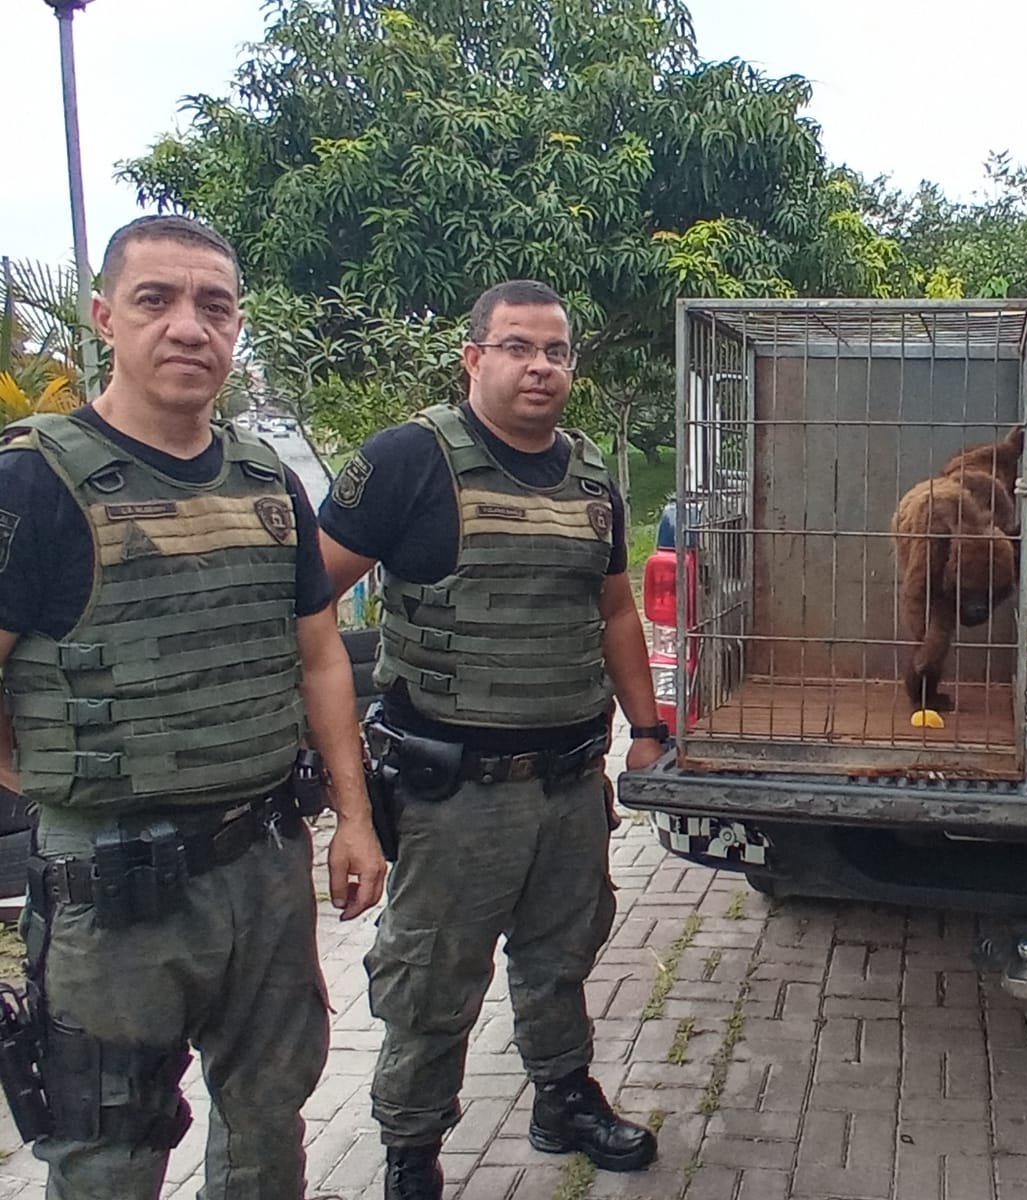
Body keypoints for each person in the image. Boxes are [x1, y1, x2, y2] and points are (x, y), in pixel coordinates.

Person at [0, 214, 387, 1198]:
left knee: (270, 1119)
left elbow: (320, 659)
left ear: (236, 328)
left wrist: (354, 817)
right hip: (115, 892)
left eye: (213, 306)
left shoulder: (268, 483)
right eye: (156, 301)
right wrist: (47, 775)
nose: (187, 327)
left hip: (263, 867)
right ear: (103, 319)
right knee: (110, 1152)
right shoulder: (33, 484)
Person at [317, 279, 668, 1199]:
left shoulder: (592, 478)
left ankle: (563, 1099)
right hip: (452, 794)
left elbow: (617, 611)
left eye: (555, 351)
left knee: (561, 955)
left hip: (566, 783)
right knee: (432, 984)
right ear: (474, 357)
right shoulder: (407, 461)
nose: (540, 366)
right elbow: (308, 605)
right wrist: (331, 775)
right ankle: (411, 1153)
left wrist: (646, 729)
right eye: (517, 347)